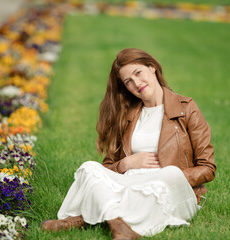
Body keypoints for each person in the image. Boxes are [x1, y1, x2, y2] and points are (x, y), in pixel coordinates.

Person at [41, 48, 216, 239]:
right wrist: (126, 164)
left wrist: (169, 176)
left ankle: (83, 219)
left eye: (138, 73)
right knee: (90, 168)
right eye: (128, 82)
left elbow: (208, 168)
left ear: (152, 68)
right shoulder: (128, 115)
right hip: (130, 183)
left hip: (169, 186)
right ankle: (119, 226)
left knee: (169, 173)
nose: (136, 83)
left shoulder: (185, 108)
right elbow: (108, 167)